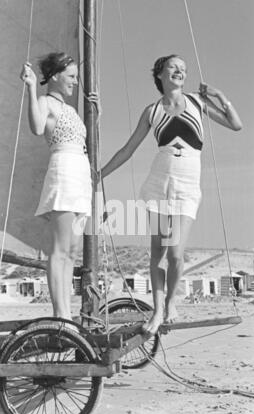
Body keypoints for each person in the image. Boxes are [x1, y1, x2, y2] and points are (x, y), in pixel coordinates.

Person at [101, 54, 242, 334]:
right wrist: (100, 173)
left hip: (187, 188)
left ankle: (171, 301)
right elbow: (128, 150)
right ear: (160, 74)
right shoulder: (151, 111)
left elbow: (235, 124)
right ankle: (157, 310)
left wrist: (220, 96)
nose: (180, 71)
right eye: (173, 67)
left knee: (176, 254)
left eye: (183, 69)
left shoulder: (197, 103)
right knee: (158, 253)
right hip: (158, 185)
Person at [20, 52, 92, 320]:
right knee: (59, 249)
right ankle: (60, 314)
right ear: (55, 76)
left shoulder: (71, 110)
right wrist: (30, 86)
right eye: (72, 76)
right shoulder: (45, 101)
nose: (75, 82)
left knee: (72, 250)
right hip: (63, 173)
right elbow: (37, 128)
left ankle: (67, 312)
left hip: (81, 177)